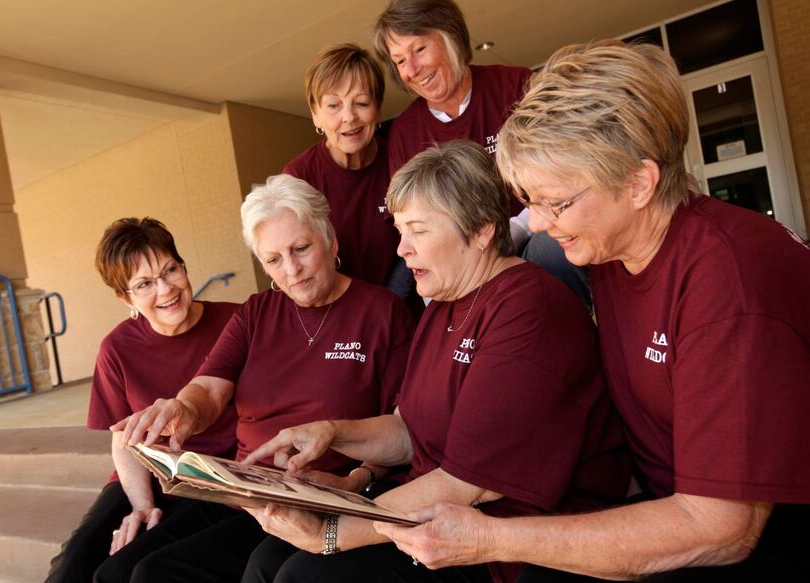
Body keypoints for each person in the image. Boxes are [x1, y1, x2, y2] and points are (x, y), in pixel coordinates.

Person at [376, 41, 810, 582]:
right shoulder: (612, 250)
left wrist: (489, 536)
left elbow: (723, 528)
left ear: (638, 183)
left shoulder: (728, 283)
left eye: (555, 203)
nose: (534, 224)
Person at [242, 141, 630, 583]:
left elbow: (468, 483)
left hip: (502, 539)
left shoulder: (527, 307)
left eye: (418, 231)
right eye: (400, 232)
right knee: (266, 561)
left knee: (306, 574)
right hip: (434, 510)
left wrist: (332, 533)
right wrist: (332, 434)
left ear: (482, 229)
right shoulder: (442, 303)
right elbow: (409, 429)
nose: (402, 250)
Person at [109, 174, 415, 583]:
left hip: (320, 494)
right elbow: (209, 389)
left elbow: (402, 427)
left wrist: (355, 480)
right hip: (245, 491)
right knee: (133, 571)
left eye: (301, 249)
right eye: (273, 260)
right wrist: (183, 409)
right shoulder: (256, 313)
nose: (292, 270)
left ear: (331, 240)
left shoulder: (382, 312)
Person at [45, 217, 239, 583]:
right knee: (71, 568)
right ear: (125, 297)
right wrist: (142, 505)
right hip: (144, 473)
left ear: (183, 266)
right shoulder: (117, 348)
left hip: (212, 476)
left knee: (123, 572)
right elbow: (122, 437)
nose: (166, 290)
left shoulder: (236, 321)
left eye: (170, 270)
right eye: (145, 284)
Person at [373, 0, 590, 310]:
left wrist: (517, 230)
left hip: (533, 239)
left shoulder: (515, 86)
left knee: (553, 247)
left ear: (451, 37)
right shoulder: (405, 132)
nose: (411, 70)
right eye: (398, 60)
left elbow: (562, 175)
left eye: (419, 50)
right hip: (460, 266)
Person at [284, 43, 403, 293]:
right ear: (315, 114)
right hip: (337, 311)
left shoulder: (400, 156)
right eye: (333, 105)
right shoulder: (299, 179)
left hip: (403, 302)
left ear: (378, 107)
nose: (349, 117)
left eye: (361, 102)